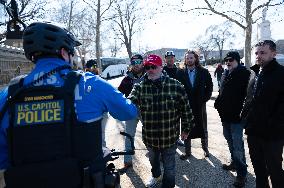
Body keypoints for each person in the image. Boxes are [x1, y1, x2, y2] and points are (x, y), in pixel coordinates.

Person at [0, 22, 137, 188]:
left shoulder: (10, 94)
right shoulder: (91, 84)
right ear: (64, 52)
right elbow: (128, 112)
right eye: (72, 53)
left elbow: (3, 157)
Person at [128, 54, 194, 188]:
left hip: (169, 138)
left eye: (153, 66)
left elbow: (186, 110)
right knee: (154, 163)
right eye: (147, 67)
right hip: (150, 139)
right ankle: (156, 176)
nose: (150, 70)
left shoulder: (176, 86)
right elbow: (129, 102)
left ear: (161, 67)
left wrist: (186, 129)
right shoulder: (139, 87)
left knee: (169, 169)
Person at [241, 40, 284, 188]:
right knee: (259, 170)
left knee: (275, 171)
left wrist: (272, 124)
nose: (259, 56)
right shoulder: (255, 72)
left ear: (273, 53)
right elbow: (250, 99)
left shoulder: (281, 74)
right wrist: (245, 119)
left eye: (263, 53)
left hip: (272, 135)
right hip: (253, 132)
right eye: (257, 53)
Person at [214, 51, 250, 187]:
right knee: (230, 141)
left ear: (237, 60)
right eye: (226, 60)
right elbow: (222, 91)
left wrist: (242, 112)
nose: (228, 62)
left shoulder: (244, 73)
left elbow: (249, 97)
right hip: (225, 115)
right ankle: (234, 163)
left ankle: (242, 174)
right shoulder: (226, 73)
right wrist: (218, 102)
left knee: (237, 146)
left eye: (231, 60)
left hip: (237, 117)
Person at [176, 50, 213, 159]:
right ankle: (187, 152)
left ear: (195, 59)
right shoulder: (180, 72)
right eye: (187, 58)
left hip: (200, 105)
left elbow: (209, 87)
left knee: (203, 127)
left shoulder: (204, 72)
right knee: (186, 127)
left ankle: (205, 149)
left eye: (191, 58)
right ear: (185, 60)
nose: (189, 60)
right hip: (186, 106)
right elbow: (177, 89)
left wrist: (204, 99)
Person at [117, 54, 145, 172]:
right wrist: (123, 106)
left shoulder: (149, 75)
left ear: (142, 63)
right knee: (129, 136)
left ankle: (157, 157)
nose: (136, 64)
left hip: (147, 110)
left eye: (138, 62)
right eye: (134, 62)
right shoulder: (127, 78)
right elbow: (118, 94)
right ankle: (127, 162)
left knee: (151, 135)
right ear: (131, 64)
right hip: (131, 110)